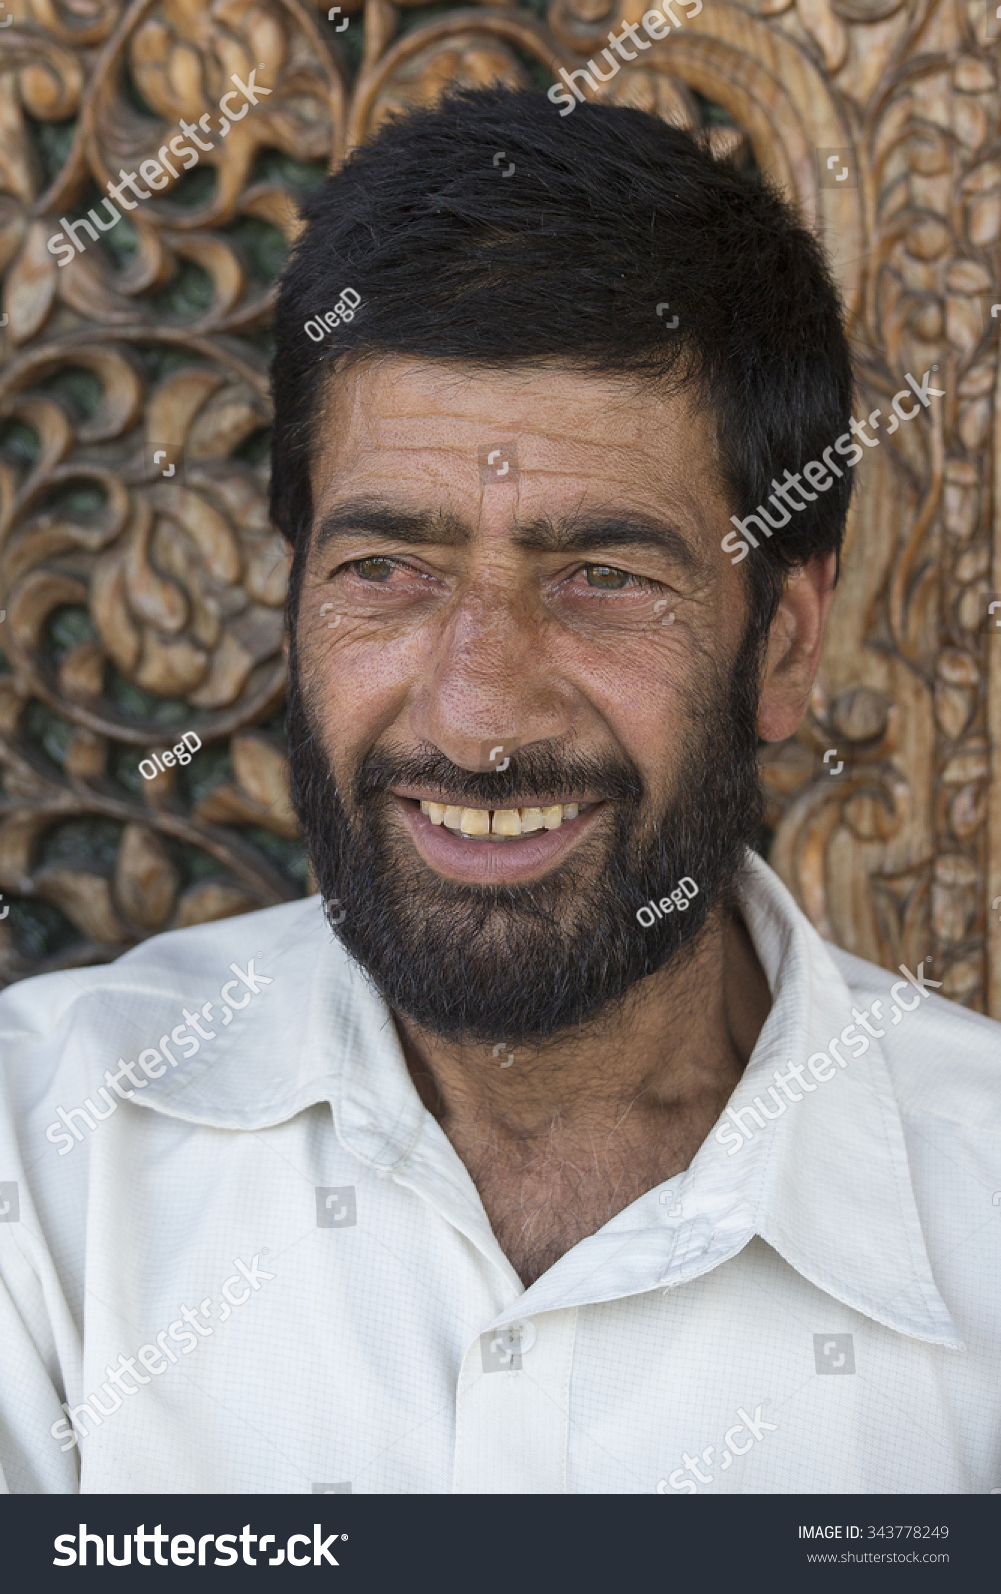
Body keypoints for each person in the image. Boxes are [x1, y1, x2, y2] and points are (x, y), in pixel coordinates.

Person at [1, 87, 997, 1497]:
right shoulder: (43, 1177)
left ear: (778, 641)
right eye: (386, 571)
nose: (477, 710)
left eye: (603, 575)